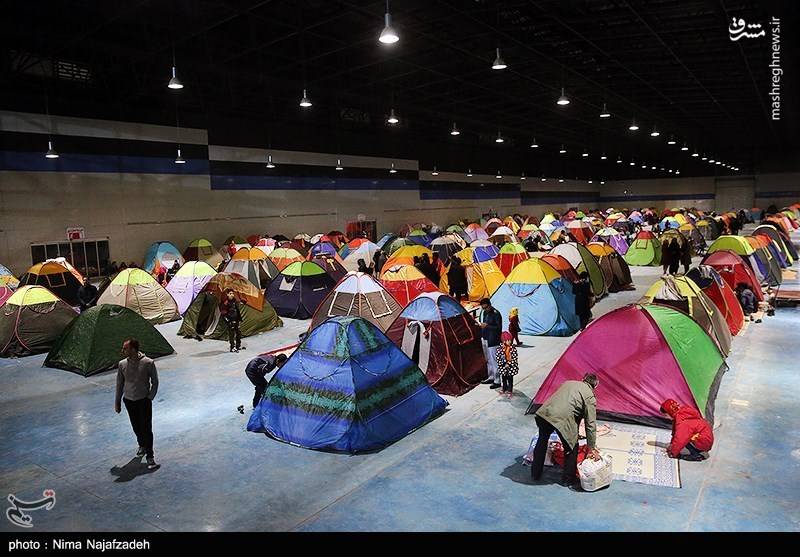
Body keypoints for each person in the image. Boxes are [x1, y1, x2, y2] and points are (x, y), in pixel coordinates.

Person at [530, 374, 601, 487]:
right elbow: (590, 424)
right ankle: (568, 479)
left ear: (582, 379)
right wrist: (591, 447)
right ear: (595, 386)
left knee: (542, 440)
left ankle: (535, 473)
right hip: (562, 419)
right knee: (571, 447)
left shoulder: (568, 382)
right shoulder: (590, 396)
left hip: (545, 413)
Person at [115, 338, 159, 470]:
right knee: (136, 426)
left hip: (143, 401)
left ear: (133, 349)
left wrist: (149, 397)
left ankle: (150, 456)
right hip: (129, 400)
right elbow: (119, 384)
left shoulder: (148, 363)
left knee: (146, 428)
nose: (122, 350)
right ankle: (142, 445)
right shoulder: (122, 364)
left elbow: (155, 382)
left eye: (125, 348)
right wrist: (117, 401)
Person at [478, 298, 502, 389]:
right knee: (488, 359)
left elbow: (498, 328)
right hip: (485, 338)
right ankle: (491, 376)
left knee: (494, 360)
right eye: (483, 308)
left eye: (486, 307)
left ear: (490, 305)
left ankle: (497, 380)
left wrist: (487, 326)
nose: (485, 309)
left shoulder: (496, 314)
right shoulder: (485, 313)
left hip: (493, 340)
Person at [495, 332, 518, 397]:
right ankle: (504, 388)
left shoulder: (513, 349)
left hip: (511, 367)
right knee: (504, 379)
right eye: (507, 340)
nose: (509, 342)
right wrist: (503, 364)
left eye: (510, 340)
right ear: (503, 341)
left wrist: (509, 364)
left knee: (510, 379)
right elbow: (498, 358)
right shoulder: (500, 349)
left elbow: (514, 358)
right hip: (503, 367)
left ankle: (510, 390)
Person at [220, 288, 244, 353]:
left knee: (238, 333)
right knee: (232, 334)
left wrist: (239, 319)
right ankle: (232, 347)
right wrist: (228, 321)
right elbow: (223, 313)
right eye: (230, 294)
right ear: (227, 294)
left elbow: (237, 311)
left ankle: (238, 346)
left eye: (233, 293)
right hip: (230, 321)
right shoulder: (225, 303)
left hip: (236, 320)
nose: (232, 295)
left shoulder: (234, 301)